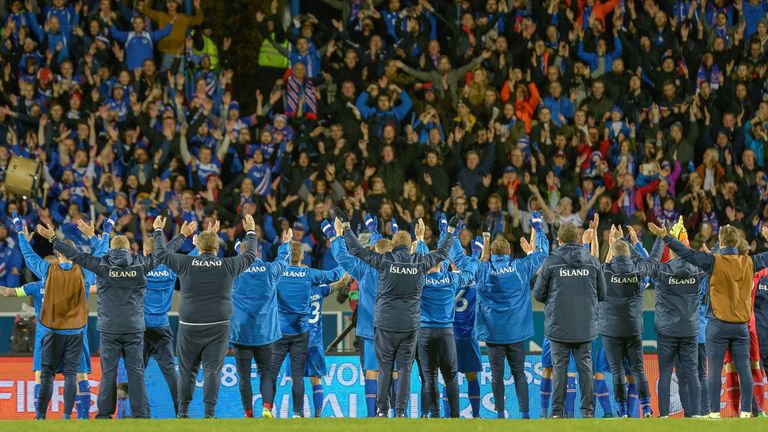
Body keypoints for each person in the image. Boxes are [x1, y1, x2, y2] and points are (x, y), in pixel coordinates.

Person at [43, 219, 182, 419]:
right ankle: (141, 414)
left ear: (112, 250)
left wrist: (54, 239)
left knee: (109, 372)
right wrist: (179, 235)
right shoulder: (141, 265)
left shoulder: (101, 265)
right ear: (128, 249)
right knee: (136, 372)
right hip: (134, 329)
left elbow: (75, 255)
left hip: (109, 330)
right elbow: (162, 254)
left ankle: (105, 413)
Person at [333, 209, 456, 417]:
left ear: (393, 243)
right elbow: (443, 254)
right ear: (409, 246)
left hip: (385, 325)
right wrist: (450, 232)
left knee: (385, 369)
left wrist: (345, 227)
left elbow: (355, 250)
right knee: (405, 370)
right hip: (409, 326)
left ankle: (382, 411)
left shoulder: (385, 261)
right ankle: (400, 412)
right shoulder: (418, 262)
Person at [649, 223, 768, 418]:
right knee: (745, 369)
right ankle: (747, 412)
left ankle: (714, 413)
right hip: (741, 327)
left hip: (718, 326)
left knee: (713, 370)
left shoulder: (713, 261)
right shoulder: (750, 262)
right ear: (737, 242)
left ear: (720, 242)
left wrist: (666, 237)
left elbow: (686, 254)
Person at [151, 214, 259, 418]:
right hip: (218, 328)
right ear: (217, 250)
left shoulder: (186, 263)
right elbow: (250, 255)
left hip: (189, 327)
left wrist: (158, 230)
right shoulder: (228, 266)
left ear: (198, 248)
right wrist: (251, 232)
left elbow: (160, 253)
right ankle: (209, 414)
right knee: (212, 371)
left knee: (187, 371)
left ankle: (182, 413)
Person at [17, 220, 98, 420]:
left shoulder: (48, 272)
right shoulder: (84, 273)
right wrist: (97, 236)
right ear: (74, 253)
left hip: (52, 332)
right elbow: (101, 255)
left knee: (45, 375)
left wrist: (20, 233)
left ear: (59, 253)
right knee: (75, 374)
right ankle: (72, 416)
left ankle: (40, 416)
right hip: (76, 332)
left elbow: (29, 258)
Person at [474, 213, 548, 419]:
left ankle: (499, 415)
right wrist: (538, 229)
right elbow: (542, 254)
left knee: (497, 376)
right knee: (519, 374)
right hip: (516, 333)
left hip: (493, 333)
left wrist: (486, 239)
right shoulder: (520, 267)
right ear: (509, 251)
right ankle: (524, 415)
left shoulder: (484, 269)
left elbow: (477, 262)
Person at [261, 240, 343, 418]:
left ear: (287, 256)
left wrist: (283, 245)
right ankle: (298, 413)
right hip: (301, 333)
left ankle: (267, 407)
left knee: (271, 372)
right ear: (303, 256)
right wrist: (347, 260)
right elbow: (335, 276)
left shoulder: (277, 274)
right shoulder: (309, 275)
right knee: (298, 376)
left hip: (280, 333)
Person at [533, 222, 607, 419]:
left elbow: (538, 294)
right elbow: (602, 294)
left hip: (558, 328)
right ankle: (588, 413)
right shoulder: (592, 262)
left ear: (559, 240)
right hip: (585, 327)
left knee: (560, 371)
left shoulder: (551, 262)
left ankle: (557, 413)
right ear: (578, 239)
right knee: (586, 371)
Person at [329, 215, 393, 417]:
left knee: (371, 372)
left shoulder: (363, 269)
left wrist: (337, 235)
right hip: (393, 329)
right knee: (394, 371)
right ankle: (395, 413)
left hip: (368, 329)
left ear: (373, 251)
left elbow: (341, 256)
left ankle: (371, 415)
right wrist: (375, 232)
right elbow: (383, 249)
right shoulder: (399, 269)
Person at [413, 216, 478, 418]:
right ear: (441, 264)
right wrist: (475, 255)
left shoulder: (420, 280)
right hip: (446, 333)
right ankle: (455, 416)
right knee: (450, 377)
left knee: (429, 375)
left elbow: (418, 261)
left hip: (424, 333)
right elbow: (469, 273)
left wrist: (421, 239)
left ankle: (434, 414)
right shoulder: (451, 279)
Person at [600, 225, 662, 418]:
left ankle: (621, 411)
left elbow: (599, 262)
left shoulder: (605, 271)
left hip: (611, 331)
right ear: (629, 254)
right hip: (634, 329)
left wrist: (613, 242)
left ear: (611, 252)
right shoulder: (637, 271)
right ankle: (647, 408)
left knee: (617, 370)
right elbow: (653, 260)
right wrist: (660, 238)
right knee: (638, 369)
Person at [230, 230, 292, 418]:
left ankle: (248, 414)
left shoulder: (233, 271)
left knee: (244, 377)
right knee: (266, 373)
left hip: (241, 335)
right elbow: (284, 261)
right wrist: (285, 244)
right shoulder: (268, 270)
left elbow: (238, 255)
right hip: (265, 334)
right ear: (257, 252)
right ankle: (266, 407)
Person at [649, 220, 708, 417]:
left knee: (665, 373)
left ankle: (664, 415)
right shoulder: (698, 271)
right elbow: (710, 263)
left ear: (671, 250)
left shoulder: (663, 270)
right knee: (691, 373)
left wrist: (660, 238)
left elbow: (652, 260)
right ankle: (696, 414)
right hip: (690, 331)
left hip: (667, 331)